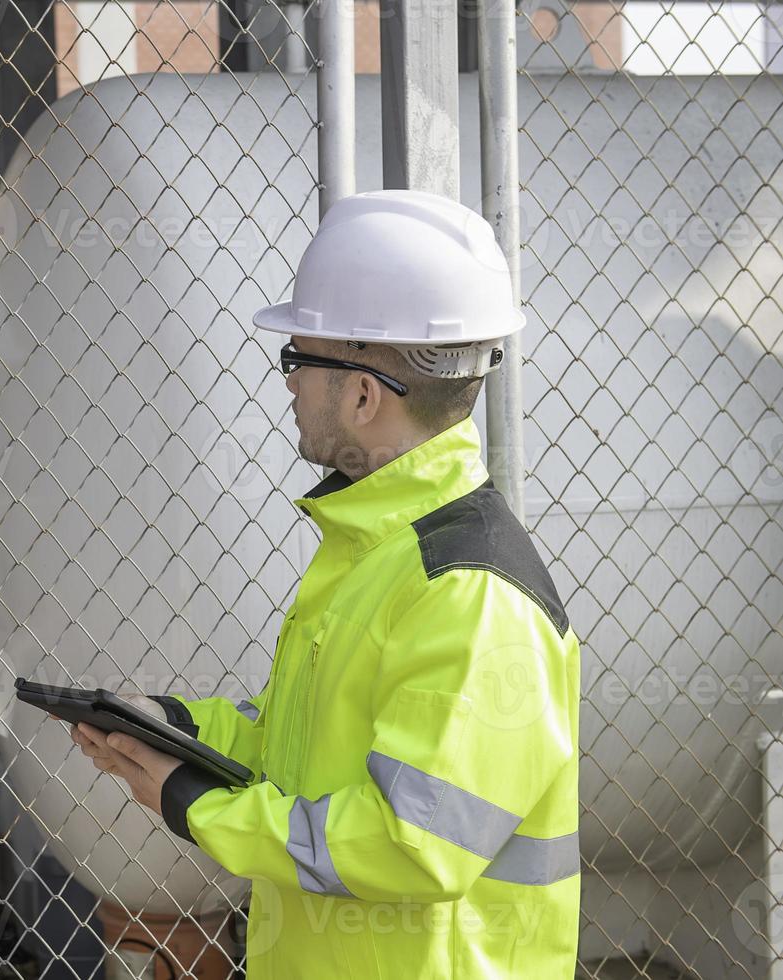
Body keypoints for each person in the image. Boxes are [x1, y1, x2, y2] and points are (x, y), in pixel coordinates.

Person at [68, 189, 581, 977]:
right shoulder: (379, 553)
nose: (288, 386)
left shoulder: (467, 593)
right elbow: (302, 753)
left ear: (363, 394)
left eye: (297, 360)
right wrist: (169, 727)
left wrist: (197, 802)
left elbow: (412, 847)